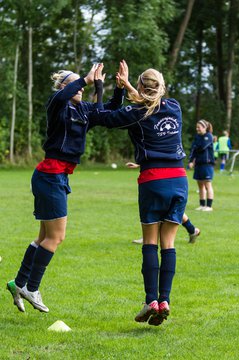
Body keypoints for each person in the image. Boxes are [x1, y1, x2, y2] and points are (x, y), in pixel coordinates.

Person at [7, 63, 124, 313]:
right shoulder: (57, 104)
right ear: (64, 86)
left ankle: (18, 284)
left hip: (57, 177)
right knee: (56, 237)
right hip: (50, 175)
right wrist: (85, 79)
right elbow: (63, 95)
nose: (80, 89)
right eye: (75, 84)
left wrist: (114, 87)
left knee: (43, 237)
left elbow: (107, 110)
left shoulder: (82, 111)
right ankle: (32, 287)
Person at [90, 60, 188, 326]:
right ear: (162, 87)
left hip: (153, 181)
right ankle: (165, 300)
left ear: (143, 88)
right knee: (169, 244)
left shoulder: (135, 112)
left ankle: (150, 301)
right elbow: (149, 104)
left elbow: (101, 116)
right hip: (179, 181)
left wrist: (104, 86)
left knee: (149, 244)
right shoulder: (175, 107)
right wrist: (131, 85)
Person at [126, 162, 200, 244]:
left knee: (162, 207)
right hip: (169, 175)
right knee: (169, 208)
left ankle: (149, 237)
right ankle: (192, 230)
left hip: (166, 175)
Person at [189, 120, 214, 211]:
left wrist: (195, 146)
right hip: (198, 164)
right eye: (196, 127)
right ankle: (202, 205)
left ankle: (209, 206)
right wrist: (191, 161)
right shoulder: (197, 137)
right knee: (200, 185)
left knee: (207, 184)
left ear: (205, 128)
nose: (197, 129)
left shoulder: (208, 136)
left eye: (199, 127)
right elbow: (193, 149)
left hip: (207, 164)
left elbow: (202, 147)